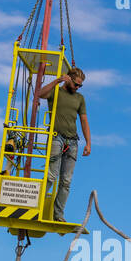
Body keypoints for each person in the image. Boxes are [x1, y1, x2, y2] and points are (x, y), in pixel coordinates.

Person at [38, 64, 91, 222]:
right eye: (76, 84)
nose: (77, 87)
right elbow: (40, 94)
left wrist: (88, 143)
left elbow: (84, 120)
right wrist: (57, 80)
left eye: (80, 85)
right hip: (56, 138)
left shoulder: (79, 98)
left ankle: (58, 215)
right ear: (68, 79)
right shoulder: (56, 92)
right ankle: (35, 206)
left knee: (66, 181)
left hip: (72, 141)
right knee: (51, 176)